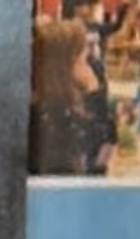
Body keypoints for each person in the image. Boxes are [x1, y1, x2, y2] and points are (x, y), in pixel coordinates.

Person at [30, 20, 110, 177]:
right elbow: (98, 163)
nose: (89, 69)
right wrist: (94, 93)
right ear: (67, 65)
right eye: (84, 61)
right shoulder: (59, 117)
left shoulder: (39, 106)